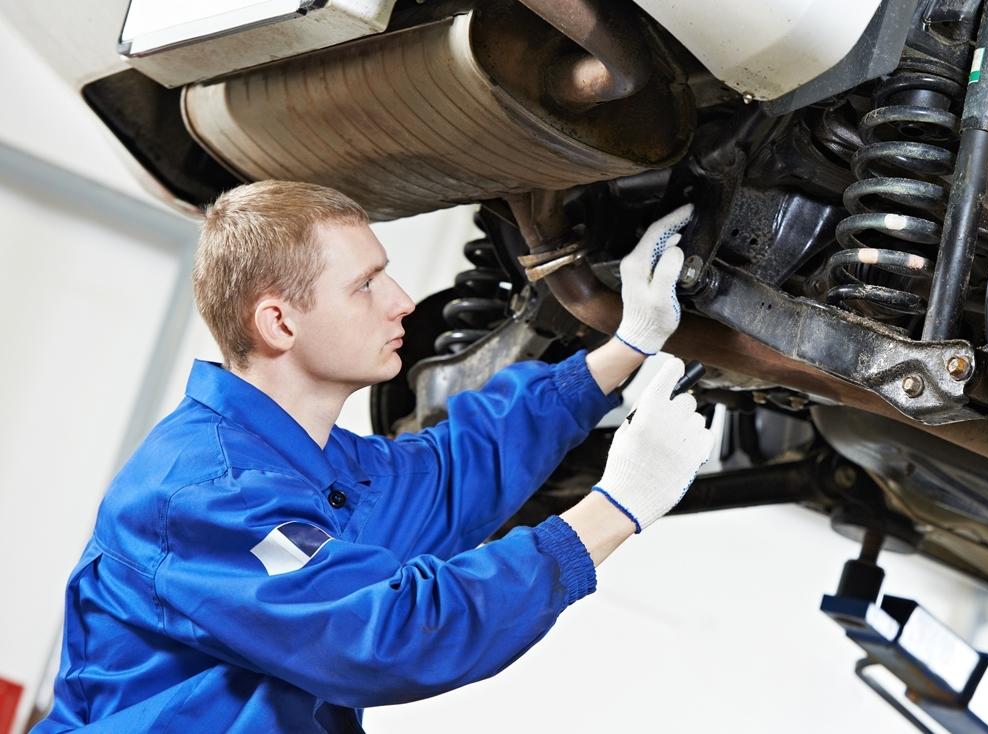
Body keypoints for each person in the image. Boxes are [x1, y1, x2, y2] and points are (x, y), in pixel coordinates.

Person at [33, 181, 713, 732]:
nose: (402, 302)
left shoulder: (312, 468)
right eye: (366, 284)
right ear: (279, 323)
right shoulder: (206, 494)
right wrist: (616, 507)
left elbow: (453, 475)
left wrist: (629, 342)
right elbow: (390, 635)